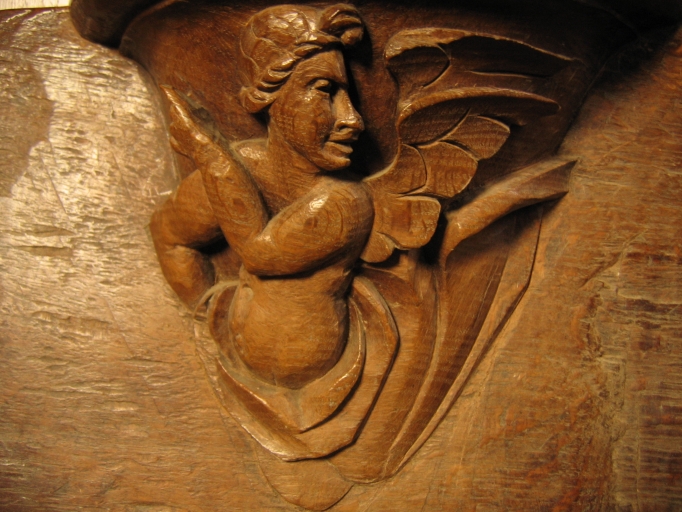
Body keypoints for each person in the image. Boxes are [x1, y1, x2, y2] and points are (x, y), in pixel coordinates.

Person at [150, 4, 373, 389]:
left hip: (341, 394)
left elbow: (259, 253)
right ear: (270, 94)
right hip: (226, 374)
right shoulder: (241, 170)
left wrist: (206, 151)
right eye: (325, 90)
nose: (353, 119)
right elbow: (169, 236)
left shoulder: (346, 201)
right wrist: (209, 312)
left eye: (349, 95)